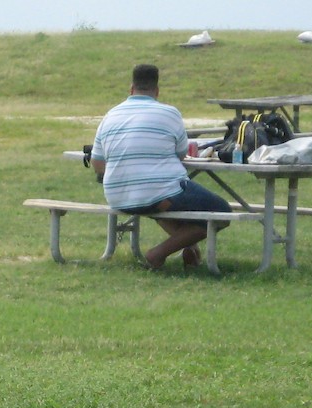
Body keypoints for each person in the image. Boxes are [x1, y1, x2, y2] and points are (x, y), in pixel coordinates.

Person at [90, 64, 232, 271]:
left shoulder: (110, 115)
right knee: (221, 212)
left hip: (117, 195)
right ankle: (157, 253)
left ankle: (189, 247)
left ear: (131, 89)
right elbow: (180, 154)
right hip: (157, 193)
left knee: (158, 203)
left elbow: (97, 163)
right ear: (157, 91)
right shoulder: (169, 113)